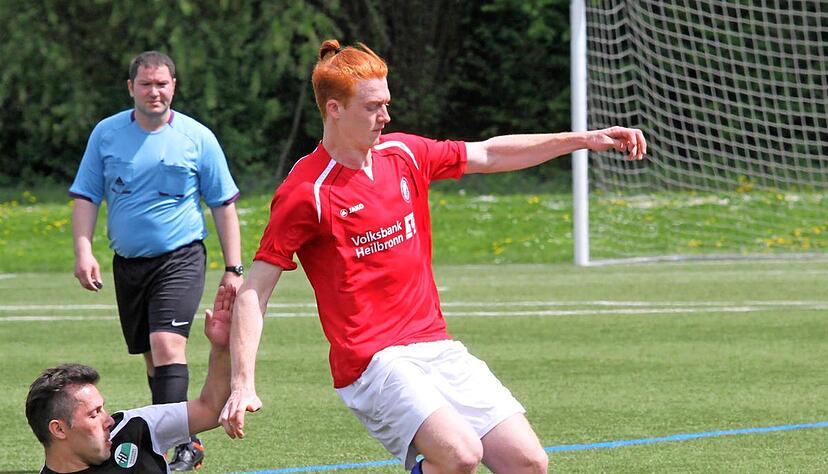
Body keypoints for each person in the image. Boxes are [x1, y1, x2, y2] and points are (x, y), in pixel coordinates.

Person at [219, 40, 646, 473]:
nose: (385, 116)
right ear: (334, 108)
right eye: (372, 107)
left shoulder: (403, 154)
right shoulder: (305, 191)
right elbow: (255, 290)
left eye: (387, 103)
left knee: (529, 462)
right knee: (460, 455)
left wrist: (585, 140)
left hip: (435, 345)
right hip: (373, 362)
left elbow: (488, 152)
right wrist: (242, 383)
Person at [69, 50, 244, 470]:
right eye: (146, 84)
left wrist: (234, 267)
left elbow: (223, 204)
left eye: (162, 83)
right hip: (129, 263)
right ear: (131, 88)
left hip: (180, 257)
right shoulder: (106, 134)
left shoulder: (197, 137)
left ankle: (177, 445)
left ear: (174, 87)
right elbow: (86, 195)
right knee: (152, 353)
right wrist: (83, 250)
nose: (154, 91)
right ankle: (179, 435)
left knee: (167, 344)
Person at [26, 285, 235, 474]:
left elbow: (211, 409)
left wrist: (222, 348)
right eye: (93, 414)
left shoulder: (133, 426)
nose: (108, 420)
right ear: (59, 429)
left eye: (102, 409)